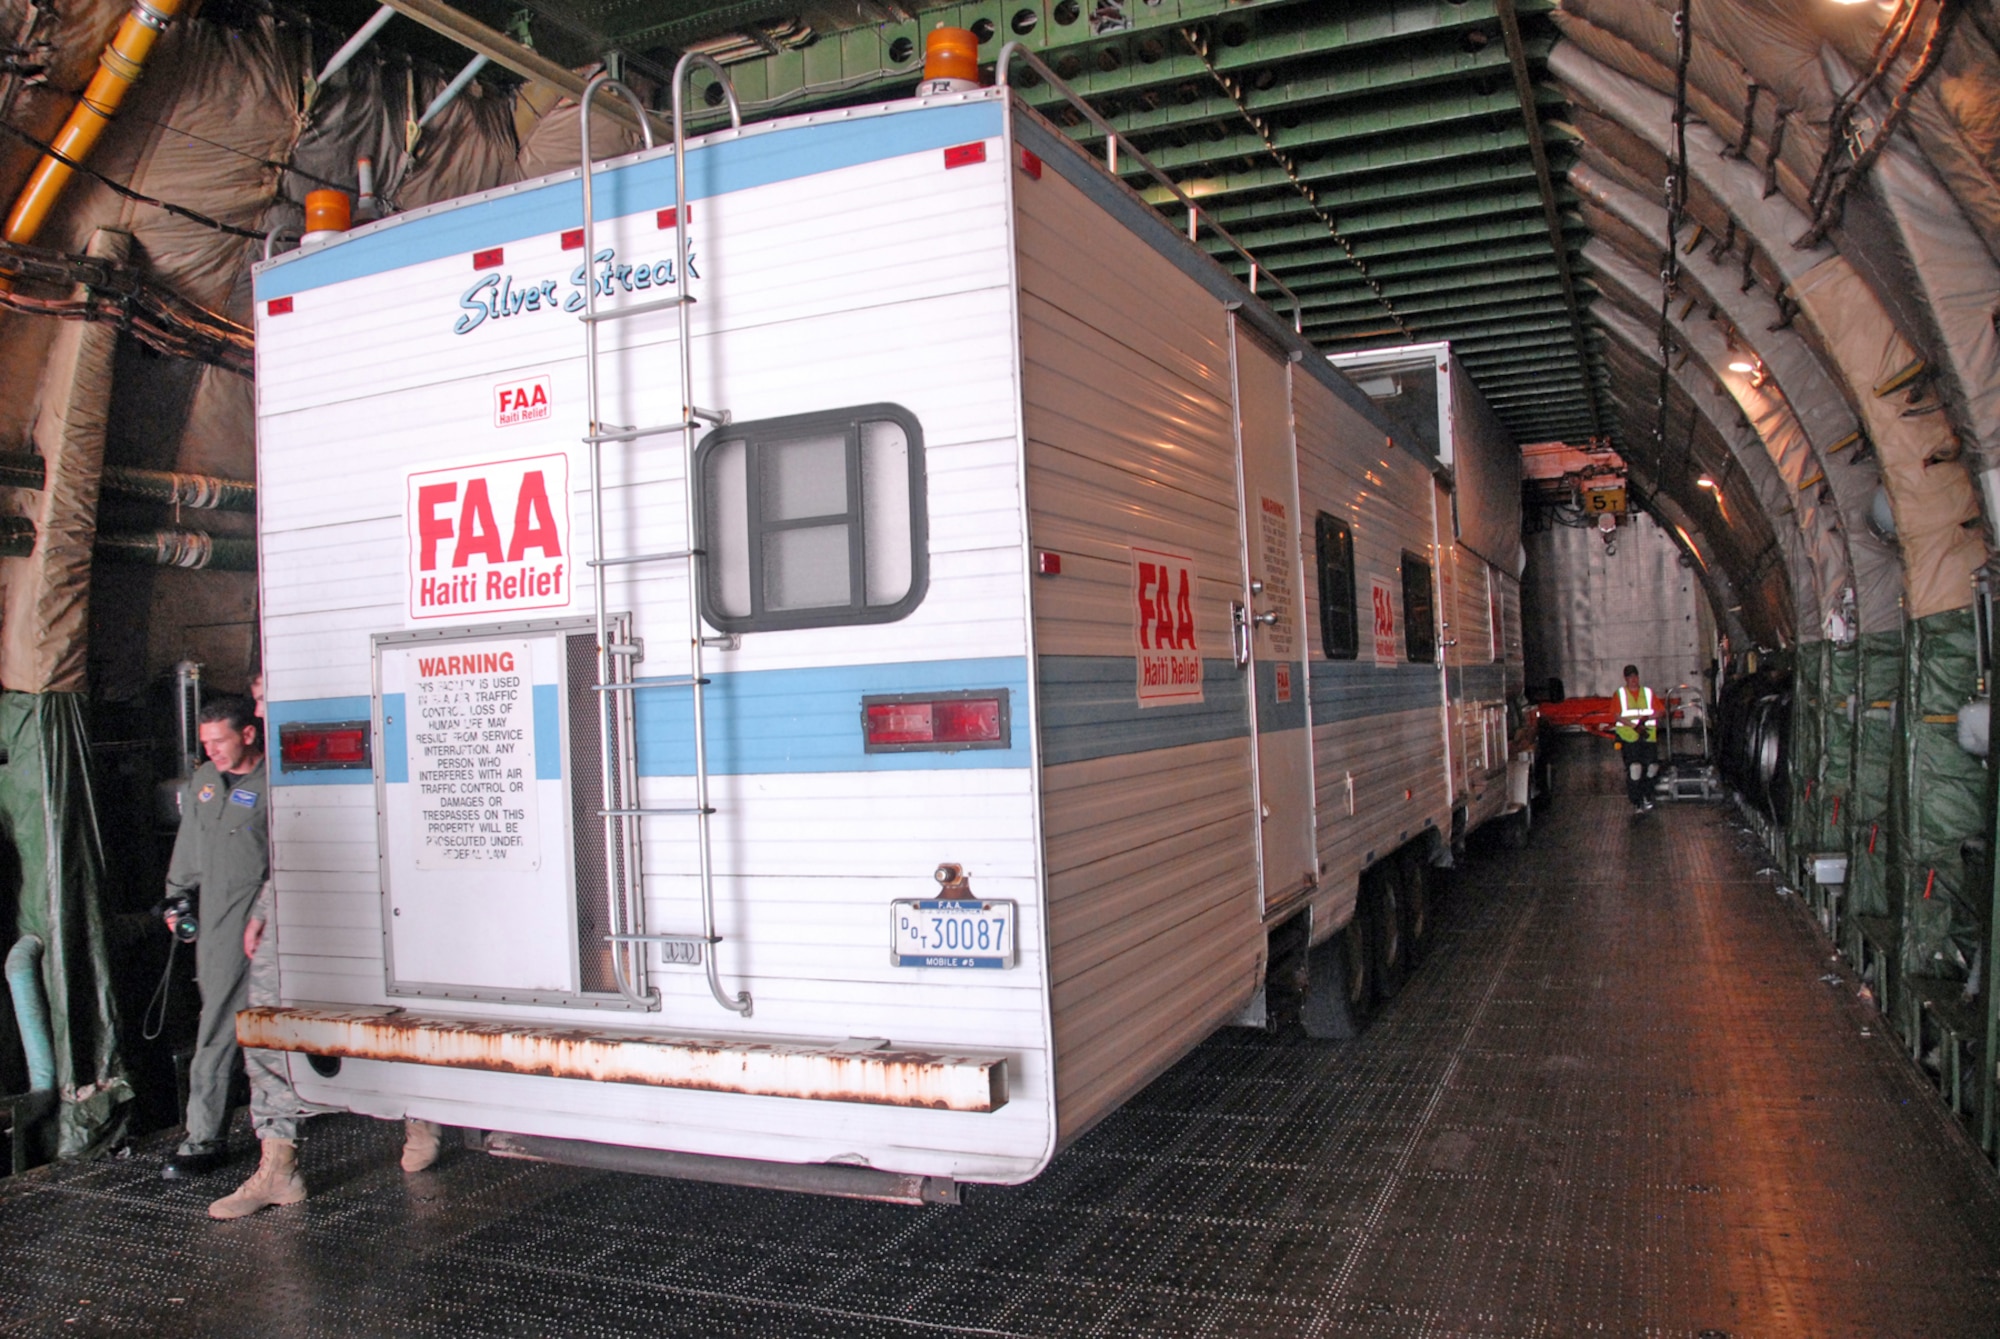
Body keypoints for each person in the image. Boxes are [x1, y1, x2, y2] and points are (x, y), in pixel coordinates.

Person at [1614, 664, 1665, 813]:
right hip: (1628, 737)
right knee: (1635, 768)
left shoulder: (1647, 693)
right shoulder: (1620, 694)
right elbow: (1617, 715)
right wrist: (1634, 726)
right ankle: (1636, 801)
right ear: (1625, 679)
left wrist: (1648, 717)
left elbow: (1661, 711)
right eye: (1630, 677)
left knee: (1652, 767)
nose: (1633, 680)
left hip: (1648, 736)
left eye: (1635, 676)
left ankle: (1647, 795)